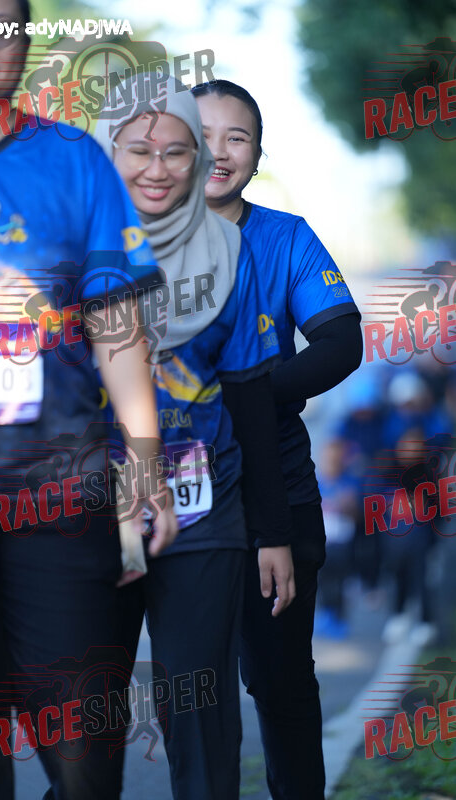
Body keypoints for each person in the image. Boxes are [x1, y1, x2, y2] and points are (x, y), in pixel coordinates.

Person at [0, 2, 177, 799]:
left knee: (80, 741)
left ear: (26, 42)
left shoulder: (72, 159)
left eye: (0, 25)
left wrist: (144, 462)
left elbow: (116, 329)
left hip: (58, 487)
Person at [95, 75, 296, 800]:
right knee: (83, 717)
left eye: (177, 150)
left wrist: (272, 532)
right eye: (138, 149)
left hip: (204, 510)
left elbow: (250, 399)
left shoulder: (229, 252)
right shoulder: (68, 247)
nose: (159, 166)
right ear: (108, 153)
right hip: (88, 510)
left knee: (199, 706)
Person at [193, 79, 363, 800]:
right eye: (201, 134)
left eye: (236, 138)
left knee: (280, 679)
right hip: (175, 497)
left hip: (277, 491)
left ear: (257, 156)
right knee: (187, 685)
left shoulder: (285, 237)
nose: (218, 152)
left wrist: (251, 395)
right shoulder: (130, 239)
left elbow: (340, 341)